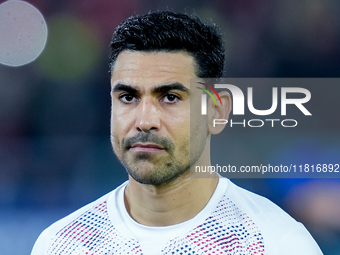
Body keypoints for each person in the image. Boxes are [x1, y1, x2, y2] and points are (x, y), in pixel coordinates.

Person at [31, 11, 323, 255]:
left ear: (217, 112)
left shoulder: (277, 243)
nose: (145, 121)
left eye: (170, 97)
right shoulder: (61, 245)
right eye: (128, 97)